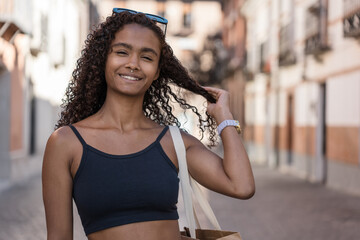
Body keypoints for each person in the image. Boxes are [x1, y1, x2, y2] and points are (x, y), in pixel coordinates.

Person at [42, 8, 255, 240]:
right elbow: (58, 236)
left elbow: (241, 186)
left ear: (156, 72)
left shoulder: (173, 141)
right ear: (103, 59)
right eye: (122, 52)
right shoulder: (66, 143)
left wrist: (224, 118)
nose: (133, 64)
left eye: (146, 57)